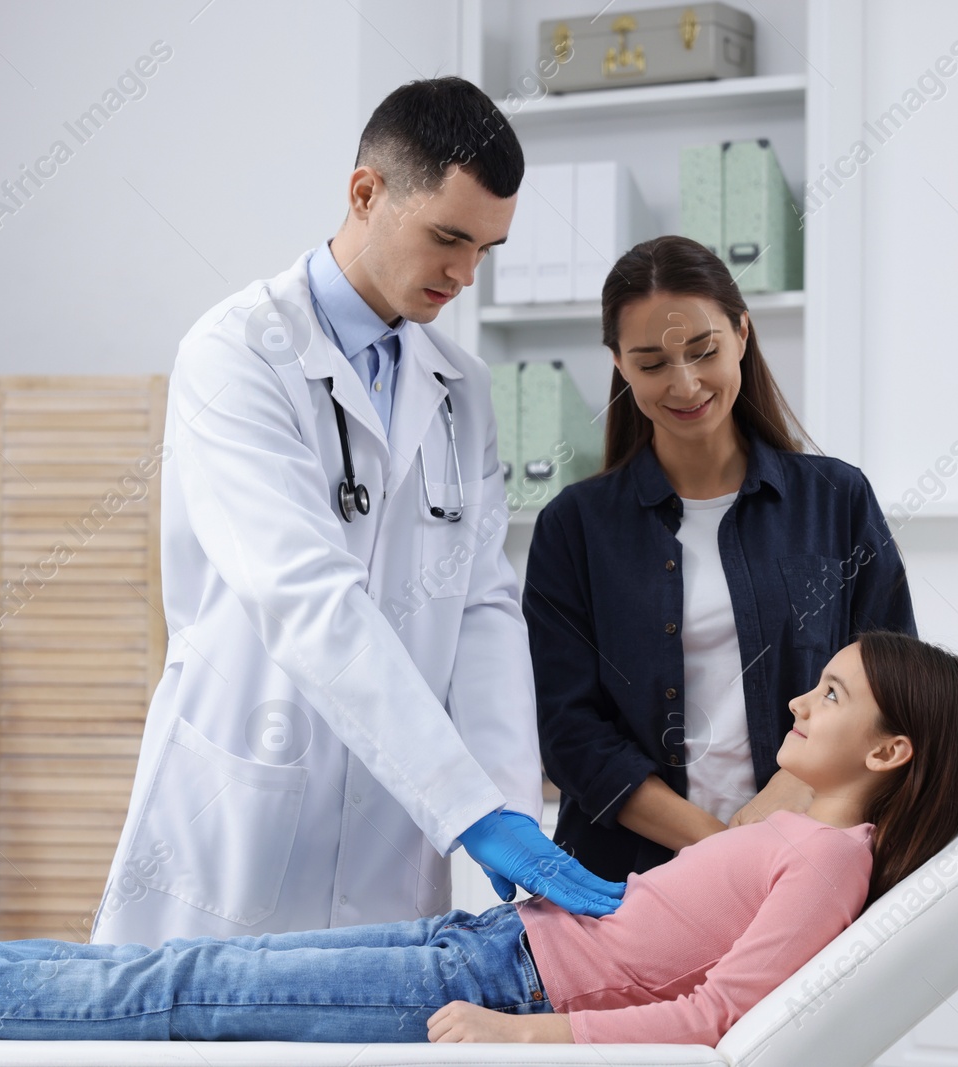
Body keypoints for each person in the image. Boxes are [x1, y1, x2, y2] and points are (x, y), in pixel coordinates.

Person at [0, 632, 958, 1045]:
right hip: (490, 945)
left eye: (829, 695)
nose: (795, 701)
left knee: (188, 982)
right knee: (188, 976)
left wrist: (529, 1033)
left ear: (889, 752)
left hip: (497, 980)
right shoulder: (802, 831)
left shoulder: (832, 856)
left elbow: (720, 1014)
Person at [91, 76, 622, 949]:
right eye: (448, 237)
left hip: (392, 844)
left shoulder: (464, 388)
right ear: (366, 193)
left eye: (487, 248)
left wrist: (504, 806)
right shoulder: (236, 354)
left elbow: (484, 607)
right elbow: (308, 598)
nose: (464, 274)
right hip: (239, 813)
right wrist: (464, 805)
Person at [526, 236, 918, 883]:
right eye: (651, 363)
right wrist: (720, 847)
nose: (685, 383)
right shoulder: (574, 526)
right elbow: (566, 729)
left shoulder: (836, 499)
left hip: (806, 862)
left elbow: (892, 682)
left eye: (704, 350)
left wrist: (775, 818)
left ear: (742, 331)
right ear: (618, 363)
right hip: (625, 878)